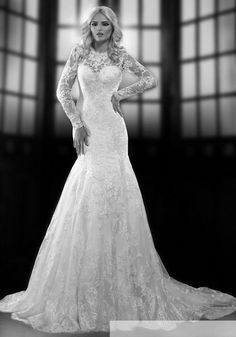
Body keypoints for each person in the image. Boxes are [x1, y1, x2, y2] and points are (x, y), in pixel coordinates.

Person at [0, 5, 236, 334]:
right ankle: (83, 285)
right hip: (89, 130)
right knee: (87, 195)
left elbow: (149, 78)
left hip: (113, 131)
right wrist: (76, 123)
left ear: (112, 28)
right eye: (95, 24)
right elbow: (62, 90)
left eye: (105, 24)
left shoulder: (121, 55)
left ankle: (121, 282)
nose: (99, 28)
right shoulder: (78, 52)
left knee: (115, 195)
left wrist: (120, 94)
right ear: (89, 27)